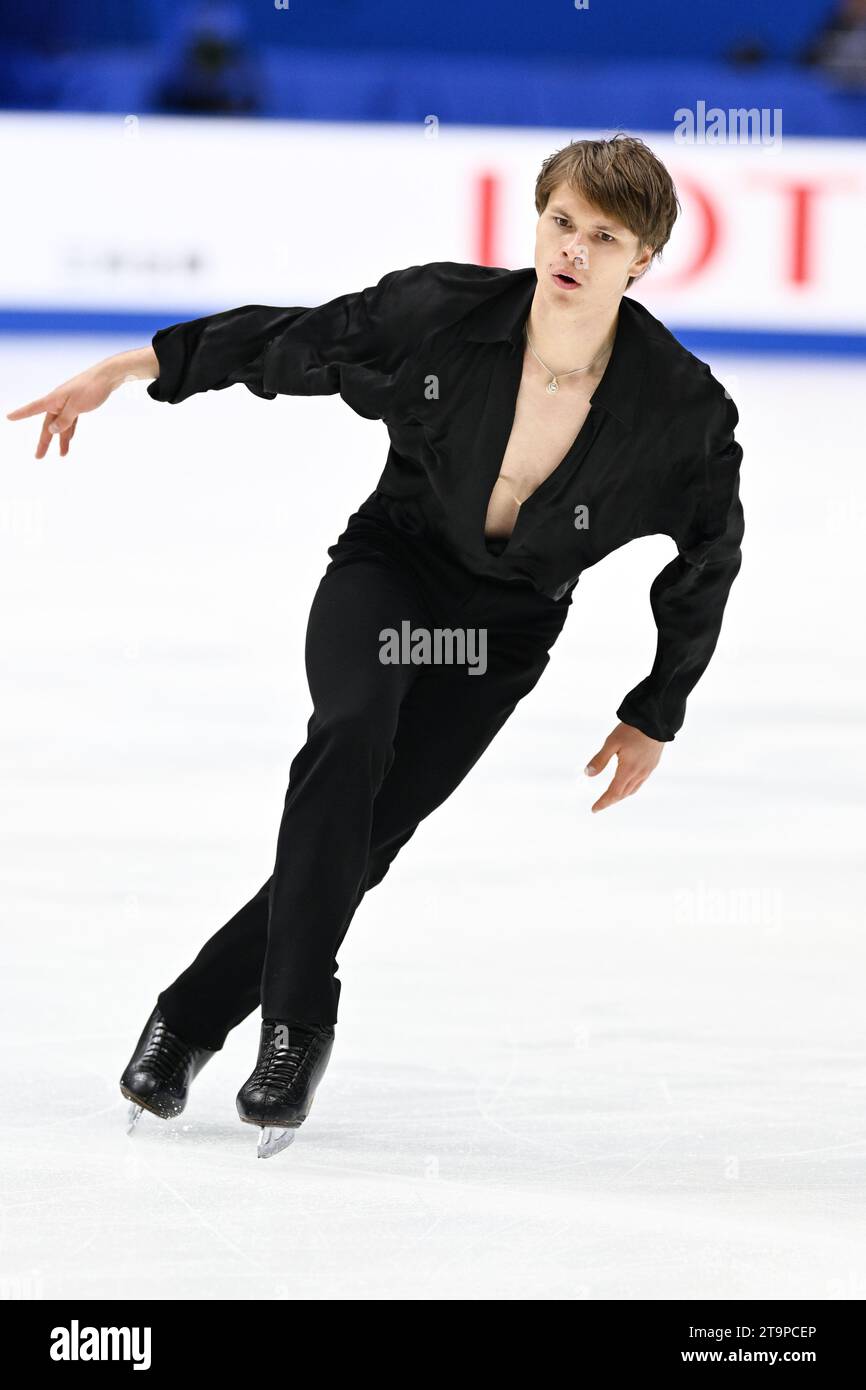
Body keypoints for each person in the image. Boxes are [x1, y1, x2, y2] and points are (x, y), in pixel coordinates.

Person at [6, 134, 745, 1158]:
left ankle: (184, 1017)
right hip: (390, 574)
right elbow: (298, 339)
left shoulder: (679, 409)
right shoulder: (441, 313)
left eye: (602, 236)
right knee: (348, 733)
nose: (571, 248)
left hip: (499, 632)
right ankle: (296, 1026)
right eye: (559, 222)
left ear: (643, 260)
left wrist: (651, 709)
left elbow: (710, 551)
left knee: (368, 839)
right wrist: (136, 368)